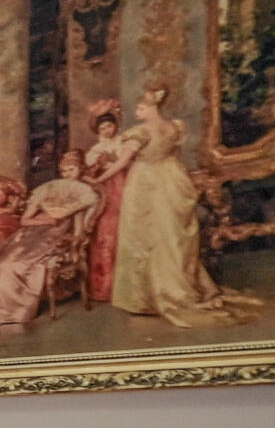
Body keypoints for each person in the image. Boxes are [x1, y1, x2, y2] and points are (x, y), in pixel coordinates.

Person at [108, 87, 261, 328]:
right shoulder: (173, 127)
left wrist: (99, 177)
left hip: (147, 182)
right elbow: (173, 153)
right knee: (171, 236)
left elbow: (122, 162)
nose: (136, 113)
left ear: (149, 108)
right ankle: (175, 284)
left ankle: (153, 295)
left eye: (139, 108)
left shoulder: (140, 132)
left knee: (147, 235)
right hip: (171, 177)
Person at [0, 154, 101, 327]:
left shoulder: (81, 196)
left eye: (71, 170)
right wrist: (46, 220)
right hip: (29, 234)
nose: (68, 174)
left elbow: (78, 231)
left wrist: (67, 239)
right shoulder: (48, 190)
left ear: (81, 169)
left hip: (55, 237)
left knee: (13, 267)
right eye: (64, 171)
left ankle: (8, 312)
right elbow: (24, 221)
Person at [80, 106, 132, 303]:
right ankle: (106, 286)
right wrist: (98, 165)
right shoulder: (95, 150)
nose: (108, 131)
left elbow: (128, 161)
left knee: (126, 227)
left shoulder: (124, 143)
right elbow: (89, 171)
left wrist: (116, 160)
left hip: (126, 184)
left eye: (110, 126)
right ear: (98, 132)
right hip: (106, 189)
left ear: (116, 126)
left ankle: (130, 285)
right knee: (106, 231)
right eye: (103, 129)